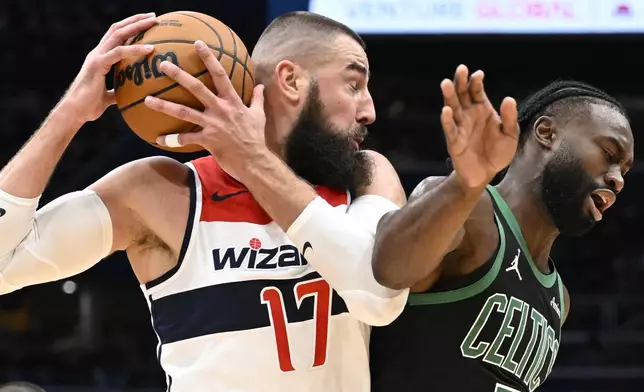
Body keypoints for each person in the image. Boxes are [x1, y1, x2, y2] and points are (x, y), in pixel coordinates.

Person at [0, 11, 408, 392]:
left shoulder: (365, 176)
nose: (370, 110)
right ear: (291, 80)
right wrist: (69, 112)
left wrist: (253, 161)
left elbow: (377, 299)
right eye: (354, 84)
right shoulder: (160, 192)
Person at [368, 66, 634, 391]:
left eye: (624, 169)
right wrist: (466, 185)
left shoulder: (559, 300)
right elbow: (388, 270)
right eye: (608, 153)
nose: (618, 179)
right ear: (547, 133)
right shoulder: (471, 212)